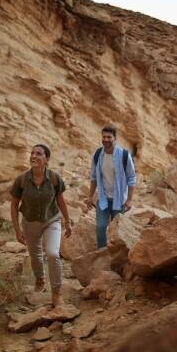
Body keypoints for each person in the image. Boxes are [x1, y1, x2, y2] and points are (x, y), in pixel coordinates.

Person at [10, 144, 73, 308]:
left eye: (38, 153)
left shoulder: (54, 178)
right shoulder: (22, 180)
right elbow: (14, 205)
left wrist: (67, 221)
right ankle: (40, 279)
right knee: (35, 255)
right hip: (29, 222)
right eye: (32, 153)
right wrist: (17, 229)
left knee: (52, 254)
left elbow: (61, 200)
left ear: (47, 159)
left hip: (51, 220)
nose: (34, 156)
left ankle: (56, 293)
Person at [86, 125, 136, 248]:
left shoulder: (124, 155)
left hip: (119, 200)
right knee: (100, 226)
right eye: (104, 137)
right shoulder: (97, 154)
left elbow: (131, 178)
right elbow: (93, 177)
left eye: (109, 137)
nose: (106, 139)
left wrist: (129, 200)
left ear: (115, 138)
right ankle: (102, 252)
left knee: (117, 230)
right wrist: (90, 196)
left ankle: (116, 254)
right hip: (103, 198)